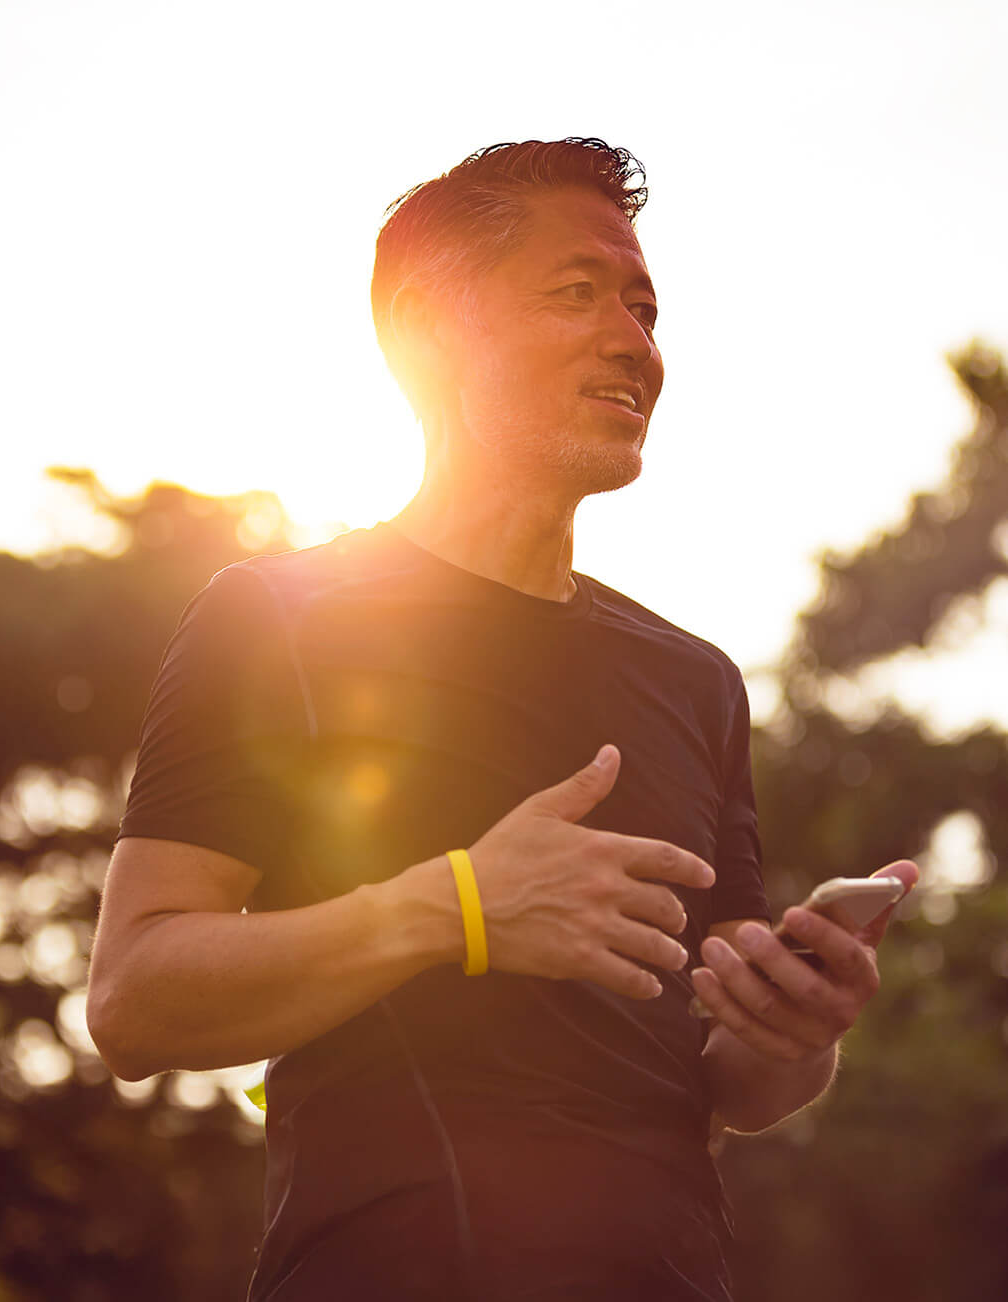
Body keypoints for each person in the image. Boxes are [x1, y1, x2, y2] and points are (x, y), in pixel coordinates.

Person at [86, 138, 919, 1301]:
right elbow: (133, 1001)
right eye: (577, 294)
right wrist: (458, 906)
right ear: (427, 330)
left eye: (644, 307)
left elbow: (729, 1083)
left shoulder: (696, 679)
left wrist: (796, 1029)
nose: (633, 341)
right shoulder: (275, 614)